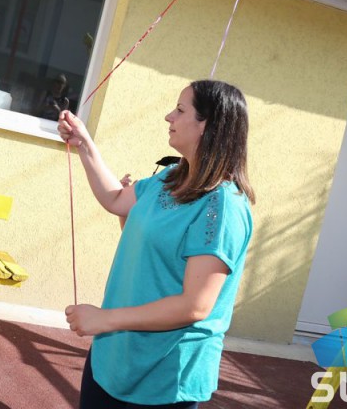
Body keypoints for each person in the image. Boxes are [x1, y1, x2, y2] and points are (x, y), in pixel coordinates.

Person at [58, 80, 255, 409]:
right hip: (113, 357)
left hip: (163, 378)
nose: (169, 117)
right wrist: (84, 144)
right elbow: (116, 200)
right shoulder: (171, 176)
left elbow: (195, 306)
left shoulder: (223, 207)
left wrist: (105, 319)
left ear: (208, 125)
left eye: (180, 110)